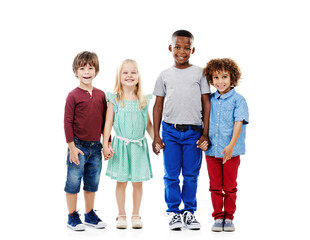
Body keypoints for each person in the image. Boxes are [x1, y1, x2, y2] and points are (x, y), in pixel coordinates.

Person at [152, 30, 211, 230]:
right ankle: (174, 212)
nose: (182, 51)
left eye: (187, 48)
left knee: (191, 174)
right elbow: (158, 106)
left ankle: (189, 211)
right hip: (170, 131)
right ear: (170, 48)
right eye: (177, 47)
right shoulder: (164, 75)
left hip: (194, 132)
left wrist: (205, 133)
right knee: (171, 175)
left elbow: (206, 103)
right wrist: (156, 136)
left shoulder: (200, 73)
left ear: (192, 50)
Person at [103, 59, 157, 229]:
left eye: (133, 72)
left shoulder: (142, 99)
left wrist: (156, 139)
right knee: (121, 182)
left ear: (138, 76)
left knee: (137, 182)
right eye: (125, 72)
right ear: (119, 77)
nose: (129, 75)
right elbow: (107, 124)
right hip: (120, 147)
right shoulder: (115, 100)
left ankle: (136, 214)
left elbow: (148, 124)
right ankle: (121, 214)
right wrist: (106, 144)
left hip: (138, 148)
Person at [64, 51, 109, 231]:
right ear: (76, 71)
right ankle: (72, 216)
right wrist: (72, 147)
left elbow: (106, 121)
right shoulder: (73, 95)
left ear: (96, 71)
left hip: (96, 147)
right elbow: (67, 122)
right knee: (73, 182)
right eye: (82, 68)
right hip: (78, 147)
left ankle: (89, 214)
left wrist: (107, 144)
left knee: (92, 183)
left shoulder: (100, 95)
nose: (86, 71)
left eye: (90, 68)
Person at [203, 58, 249, 232]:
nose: (220, 81)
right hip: (211, 152)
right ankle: (217, 216)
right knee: (215, 186)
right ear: (211, 79)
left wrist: (230, 147)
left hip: (231, 152)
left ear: (232, 78)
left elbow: (239, 122)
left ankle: (229, 217)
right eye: (216, 78)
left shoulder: (239, 100)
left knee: (229, 186)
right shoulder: (209, 99)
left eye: (224, 77)